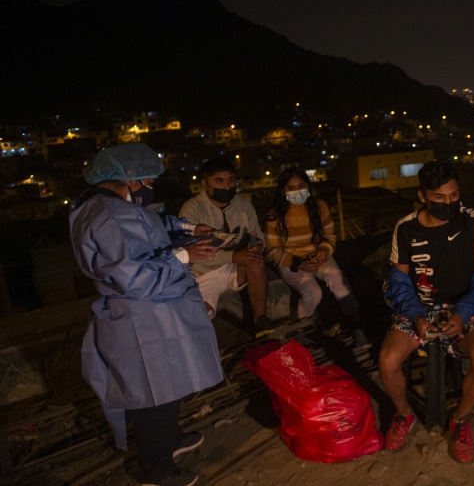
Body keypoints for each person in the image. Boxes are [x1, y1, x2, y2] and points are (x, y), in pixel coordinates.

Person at [69, 143, 224, 486]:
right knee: (154, 395)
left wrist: (185, 229)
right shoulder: (108, 216)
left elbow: (148, 224)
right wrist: (184, 256)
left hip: (156, 311)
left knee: (170, 385)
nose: (150, 186)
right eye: (149, 179)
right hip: (142, 316)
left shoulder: (112, 206)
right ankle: (156, 473)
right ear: (130, 179)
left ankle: (169, 440)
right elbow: (132, 277)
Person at [378, 160, 474, 463]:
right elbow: (398, 281)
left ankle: (459, 420)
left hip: (465, 307)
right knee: (387, 360)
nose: (449, 204)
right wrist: (417, 315)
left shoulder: (473, 223)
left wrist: (462, 313)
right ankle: (404, 414)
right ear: (422, 195)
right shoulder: (406, 228)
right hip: (420, 307)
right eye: (439, 198)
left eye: (454, 196)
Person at [263, 167, 369, 348]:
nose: (297, 191)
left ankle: (357, 328)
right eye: (291, 188)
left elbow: (330, 236)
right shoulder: (275, 215)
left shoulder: (319, 207)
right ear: (283, 191)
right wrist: (298, 263)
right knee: (313, 292)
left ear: (308, 187)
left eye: (301, 186)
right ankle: (302, 332)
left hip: (318, 257)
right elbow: (273, 250)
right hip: (292, 262)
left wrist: (323, 253)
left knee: (340, 284)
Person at [179, 157, 277, 337]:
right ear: (204, 184)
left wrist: (258, 245)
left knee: (256, 261)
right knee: (196, 320)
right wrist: (234, 257)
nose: (226, 187)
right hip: (201, 274)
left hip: (233, 268)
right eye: (219, 181)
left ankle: (261, 320)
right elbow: (195, 251)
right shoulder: (192, 208)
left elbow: (256, 233)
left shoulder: (243, 205)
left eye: (231, 180)